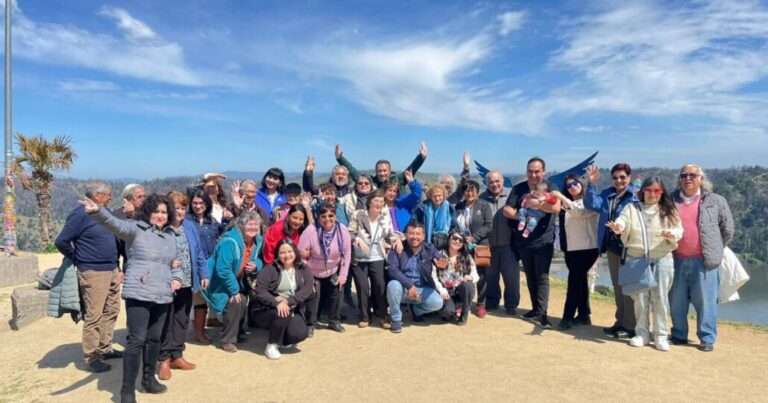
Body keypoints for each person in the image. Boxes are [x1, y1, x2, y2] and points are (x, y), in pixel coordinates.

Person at [82, 193, 181, 402]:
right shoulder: (136, 229)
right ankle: (127, 391)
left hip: (163, 293)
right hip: (139, 292)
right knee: (136, 340)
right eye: (156, 211)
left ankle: (148, 380)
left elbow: (176, 263)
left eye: (164, 212)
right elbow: (114, 224)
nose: (160, 216)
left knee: (154, 339)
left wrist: (177, 278)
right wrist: (98, 212)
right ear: (148, 212)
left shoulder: (172, 236)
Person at [606, 177, 683, 351]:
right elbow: (623, 221)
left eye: (656, 191)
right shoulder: (632, 208)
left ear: (662, 192)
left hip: (662, 258)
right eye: (649, 190)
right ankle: (641, 333)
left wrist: (672, 234)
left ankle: (661, 335)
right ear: (643, 191)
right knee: (640, 298)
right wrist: (618, 227)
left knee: (661, 298)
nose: (652, 194)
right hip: (637, 259)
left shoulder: (668, 209)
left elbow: (679, 229)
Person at [54, 180, 122, 373]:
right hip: (93, 272)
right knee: (94, 315)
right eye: (108, 194)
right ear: (97, 195)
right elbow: (61, 241)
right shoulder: (79, 214)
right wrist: (79, 258)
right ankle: (91, 357)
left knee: (112, 310)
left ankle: (105, 348)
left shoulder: (103, 211)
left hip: (111, 269)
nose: (110, 197)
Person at [669, 164, 734, 352]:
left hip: (704, 262)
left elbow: (727, 229)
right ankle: (679, 334)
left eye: (692, 175)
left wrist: (716, 249)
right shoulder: (670, 200)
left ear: (701, 179)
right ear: (680, 179)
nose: (688, 178)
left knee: (706, 302)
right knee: (676, 301)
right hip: (675, 260)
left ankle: (707, 338)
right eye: (684, 175)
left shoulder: (716, 200)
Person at [503, 157, 561, 329]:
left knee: (542, 277)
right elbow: (507, 209)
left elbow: (556, 208)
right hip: (524, 240)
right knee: (530, 276)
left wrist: (538, 205)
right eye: (530, 171)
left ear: (544, 172)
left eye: (537, 171)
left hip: (544, 241)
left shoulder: (550, 188)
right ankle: (535, 309)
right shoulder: (519, 188)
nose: (533, 174)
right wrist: (523, 215)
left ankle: (543, 314)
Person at [584, 163, 639, 338]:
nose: (619, 180)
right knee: (617, 286)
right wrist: (591, 184)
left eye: (622, 177)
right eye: (615, 177)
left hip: (630, 248)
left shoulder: (635, 197)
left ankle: (631, 326)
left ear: (629, 178)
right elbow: (591, 203)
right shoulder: (608, 194)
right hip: (613, 248)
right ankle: (620, 322)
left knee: (629, 287)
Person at [157, 191, 208, 380]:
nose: (180, 211)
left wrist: (203, 273)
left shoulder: (190, 226)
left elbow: (199, 251)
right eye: (176, 207)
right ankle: (163, 359)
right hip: (166, 283)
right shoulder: (160, 228)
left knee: (181, 319)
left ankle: (177, 356)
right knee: (165, 321)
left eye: (183, 208)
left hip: (187, 281)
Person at [204, 211, 264, 353]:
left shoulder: (257, 241)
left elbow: (259, 259)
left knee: (243, 299)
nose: (253, 227)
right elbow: (223, 269)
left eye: (256, 224)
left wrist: (256, 265)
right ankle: (228, 339)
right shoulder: (229, 242)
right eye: (249, 224)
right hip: (219, 282)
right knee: (236, 301)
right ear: (241, 225)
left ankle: (237, 331)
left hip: (239, 280)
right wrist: (233, 290)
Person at [248, 239, 313, 360]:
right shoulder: (270, 269)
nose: (287, 255)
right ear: (277, 254)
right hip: (266, 309)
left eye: (290, 251)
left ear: (295, 251)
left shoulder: (303, 269)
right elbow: (260, 290)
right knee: (283, 312)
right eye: (282, 252)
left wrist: (288, 301)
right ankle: (272, 345)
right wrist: (276, 301)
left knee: (300, 333)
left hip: (291, 307)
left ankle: (282, 338)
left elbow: (307, 289)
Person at [349, 189, 403, 329]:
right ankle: (364, 316)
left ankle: (382, 315)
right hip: (360, 257)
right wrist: (358, 240)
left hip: (377, 256)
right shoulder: (359, 214)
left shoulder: (385, 217)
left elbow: (389, 234)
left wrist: (397, 240)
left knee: (380, 286)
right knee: (362, 287)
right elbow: (350, 232)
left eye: (381, 201)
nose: (378, 204)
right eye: (376, 201)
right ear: (369, 202)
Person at [551, 175, 599, 330]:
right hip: (571, 248)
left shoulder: (590, 200)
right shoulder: (567, 203)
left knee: (573, 282)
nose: (572, 187)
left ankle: (567, 317)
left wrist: (561, 197)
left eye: (575, 183)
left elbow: (579, 213)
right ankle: (584, 314)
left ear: (582, 184)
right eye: (569, 185)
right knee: (580, 281)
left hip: (587, 247)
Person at [298, 204, 352, 335]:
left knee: (337, 292)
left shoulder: (342, 230)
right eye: (323, 216)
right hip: (313, 272)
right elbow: (301, 255)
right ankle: (311, 323)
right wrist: (307, 278)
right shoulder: (310, 231)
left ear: (335, 216)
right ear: (318, 217)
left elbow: (346, 254)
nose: (327, 219)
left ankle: (334, 321)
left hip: (333, 270)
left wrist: (343, 276)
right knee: (313, 296)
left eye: (331, 216)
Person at [386, 221, 448, 334]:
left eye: (418, 234)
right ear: (406, 234)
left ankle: (417, 310)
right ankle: (396, 319)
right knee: (393, 285)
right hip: (403, 289)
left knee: (438, 303)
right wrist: (410, 286)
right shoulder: (398, 248)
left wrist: (442, 262)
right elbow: (392, 269)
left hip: (422, 289)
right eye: (411, 233)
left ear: (423, 236)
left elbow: (440, 258)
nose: (414, 237)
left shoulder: (430, 248)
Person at [186, 189, 224, 344]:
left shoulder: (212, 222)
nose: (198, 206)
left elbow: (220, 239)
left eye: (201, 203)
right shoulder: (186, 221)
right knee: (194, 298)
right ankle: (195, 331)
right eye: (194, 203)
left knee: (203, 298)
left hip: (209, 265)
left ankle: (200, 331)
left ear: (207, 204)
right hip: (192, 265)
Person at [481, 169, 520, 316]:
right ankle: (492, 302)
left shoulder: (512, 195)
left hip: (509, 244)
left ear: (503, 181)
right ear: (486, 183)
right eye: (491, 182)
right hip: (489, 245)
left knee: (511, 278)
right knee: (491, 276)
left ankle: (511, 304)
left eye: (497, 181)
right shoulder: (481, 198)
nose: (494, 184)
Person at [452, 180, 493, 318]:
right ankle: (461, 303)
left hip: (479, 246)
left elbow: (488, 225)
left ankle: (481, 304)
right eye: (466, 190)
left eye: (472, 190)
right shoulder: (459, 206)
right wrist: (459, 238)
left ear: (477, 191)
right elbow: (454, 224)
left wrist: (473, 237)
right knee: (460, 274)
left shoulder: (484, 205)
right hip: (461, 246)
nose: (469, 193)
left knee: (481, 276)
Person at [335, 142, 428, 193]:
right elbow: (353, 171)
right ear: (376, 171)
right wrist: (340, 158)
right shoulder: (371, 182)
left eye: (384, 170)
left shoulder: (398, 179)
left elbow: (411, 169)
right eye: (379, 171)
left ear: (390, 171)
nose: (382, 173)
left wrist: (421, 157)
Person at [435, 230, 478, 325]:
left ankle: (464, 312)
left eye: (460, 240)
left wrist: (470, 277)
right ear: (449, 239)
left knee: (468, 285)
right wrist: (442, 290)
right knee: (447, 313)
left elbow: (475, 275)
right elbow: (433, 276)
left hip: (459, 290)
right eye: (454, 238)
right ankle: (452, 309)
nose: (457, 241)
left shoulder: (466, 257)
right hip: (445, 291)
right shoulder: (439, 255)